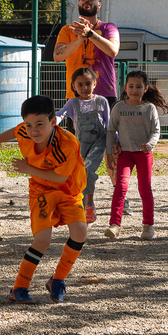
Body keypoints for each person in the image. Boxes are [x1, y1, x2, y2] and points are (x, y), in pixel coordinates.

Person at [0, 95, 87, 304]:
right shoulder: (25, 131)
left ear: (53, 121)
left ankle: (57, 280)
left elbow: (61, 177)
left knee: (80, 231)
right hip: (41, 190)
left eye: (39, 125)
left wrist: (28, 169)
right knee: (42, 239)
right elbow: (15, 130)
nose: (33, 130)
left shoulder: (67, 143)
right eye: (29, 125)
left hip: (68, 189)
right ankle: (19, 288)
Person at [105, 70, 167, 240]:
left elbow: (156, 131)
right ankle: (114, 225)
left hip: (144, 155)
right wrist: (110, 153)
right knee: (120, 187)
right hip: (125, 154)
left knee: (144, 189)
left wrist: (150, 144)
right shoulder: (119, 107)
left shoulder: (149, 108)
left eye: (138, 87)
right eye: (131, 86)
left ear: (145, 88)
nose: (134, 90)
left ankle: (148, 226)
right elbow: (111, 130)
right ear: (125, 87)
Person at [54, 67, 111, 224]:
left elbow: (109, 124)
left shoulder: (102, 101)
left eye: (88, 83)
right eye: (80, 84)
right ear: (73, 86)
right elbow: (60, 114)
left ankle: (89, 204)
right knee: (78, 175)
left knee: (88, 169)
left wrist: (115, 143)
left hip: (99, 142)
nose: (84, 88)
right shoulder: (72, 103)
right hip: (80, 144)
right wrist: (52, 121)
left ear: (95, 84)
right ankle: (79, 206)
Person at [51, 0, 119, 102]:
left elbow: (113, 51)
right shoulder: (67, 30)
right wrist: (79, 39)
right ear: (78, 5)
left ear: (99, 5)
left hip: (104, 94)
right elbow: (57, 57)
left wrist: (89, 34)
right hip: (75, 95)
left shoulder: (109, 28)